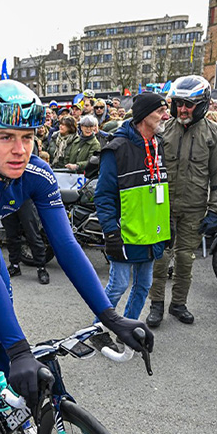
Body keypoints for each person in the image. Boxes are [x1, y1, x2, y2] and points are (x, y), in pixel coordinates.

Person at [0, 80, 153, 432]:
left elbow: (68, 247)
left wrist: (111, 317)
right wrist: (21, 353)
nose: (20, 150)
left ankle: (4, 394)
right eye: (6, 137)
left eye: (27, 137)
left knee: (4, 320)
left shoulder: (38, 173)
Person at [147, 75, 217, 328]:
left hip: (194, 208)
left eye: (189, 104)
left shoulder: (216, 133)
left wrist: (215, 210)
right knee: (160, 259)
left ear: (202, 104)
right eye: (179, 103)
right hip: (163, 207)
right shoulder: (162, 130)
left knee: (185, 259)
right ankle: (156, 304)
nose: (183, 109)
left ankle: (178, 304)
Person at [93, 92, 171, 349]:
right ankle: (96, 329)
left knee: (143, 285)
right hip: (125, 232)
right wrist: (110, 231)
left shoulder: (158, 144)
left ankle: (127, 329)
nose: (165, 115)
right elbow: (103, 195)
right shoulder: (116, 148)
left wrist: (166, 226)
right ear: (143, 116)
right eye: (160, 111)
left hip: (151, 231)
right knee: (117, 286)